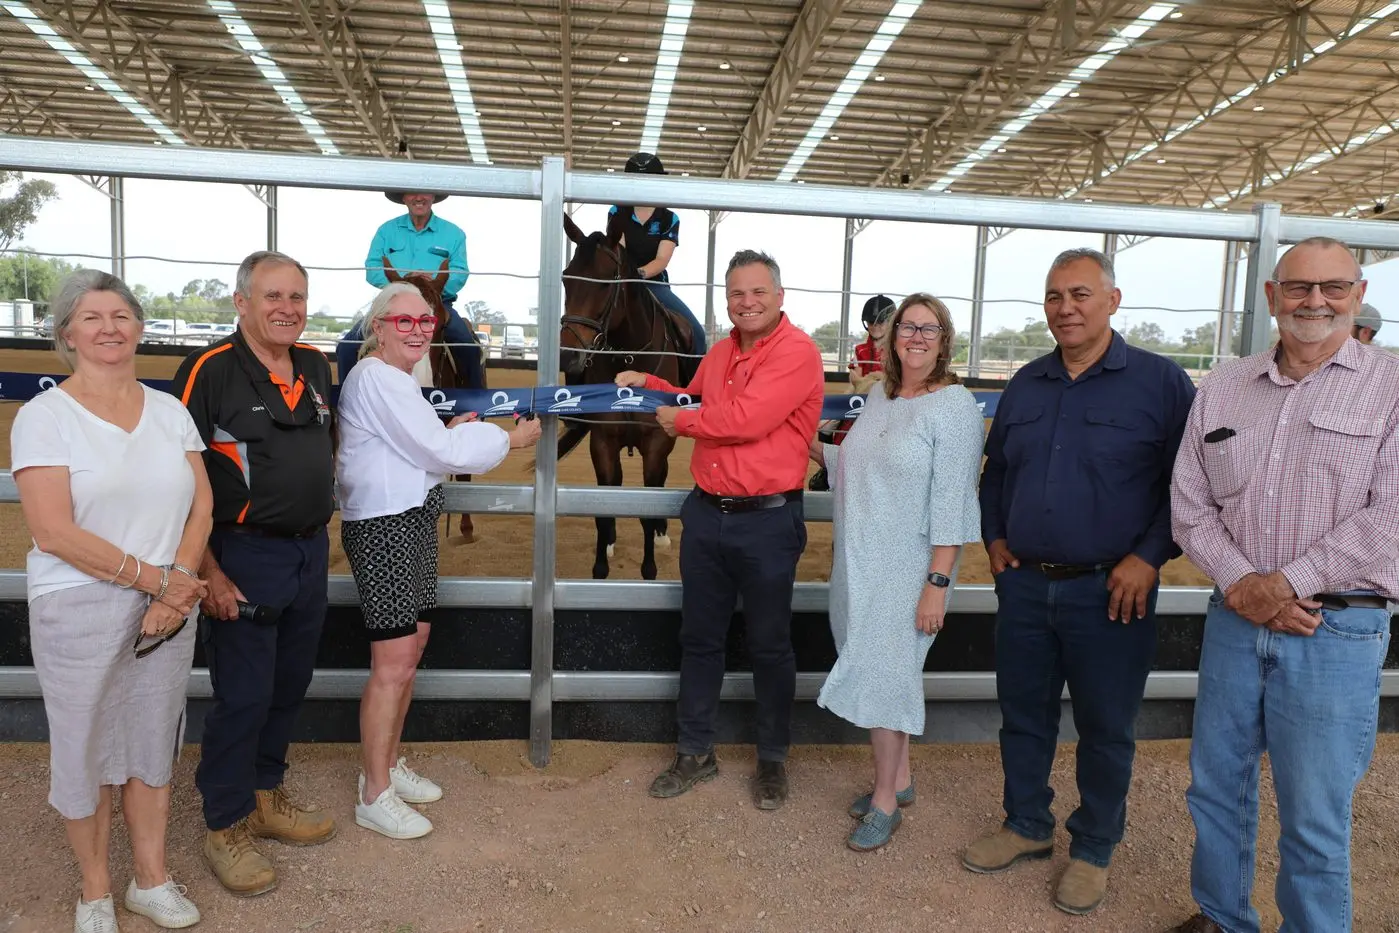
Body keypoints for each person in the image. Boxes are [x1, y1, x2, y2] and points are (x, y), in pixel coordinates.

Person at [1166, 237, 1399, 933]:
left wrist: (1284, 583)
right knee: (1214, 788)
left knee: (1313, 810)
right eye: (1297, 287)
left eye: (1331, 287)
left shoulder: (1389, 387)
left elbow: (1390, 514)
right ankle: (1220, 915)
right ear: (1271, 296)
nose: (1313, 301)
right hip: (1236, 619)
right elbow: (1188, 503)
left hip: (1336, 628)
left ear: (1357, 295)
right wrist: (1244, 584)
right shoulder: (1225, 386)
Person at [967, 248, 1196, 915]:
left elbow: (1188, 487)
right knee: (1023, 716)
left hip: (1112, 592)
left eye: (1079, 295)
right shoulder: (1026, 384)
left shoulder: (1158, 383)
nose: (1064, 308)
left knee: (1104, 724)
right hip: (1026, 586)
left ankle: (1093, 846)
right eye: (1052, 297)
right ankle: (1026, 825)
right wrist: (996, 540)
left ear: (1112, 300)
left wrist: (1149, 554)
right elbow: (997, 475)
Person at [12, 270, 211, 931]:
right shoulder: (45, 416)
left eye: (122, 314)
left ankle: (150, 879)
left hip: (168, 601)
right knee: (85, 746)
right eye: (92, 317)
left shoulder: (170, 411)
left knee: (154, 743)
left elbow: (202, 503)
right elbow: (52, 529)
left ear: (140, 327)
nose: (109, 327)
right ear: (66, 333)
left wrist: (179, 578)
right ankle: (95, 889)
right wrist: (158, 582)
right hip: (81, 600)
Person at [615, 249, 824, 810]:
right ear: (727, 300)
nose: (747, 302)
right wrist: (653, 383)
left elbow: (743, 420)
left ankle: (773, 759)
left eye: (757, 292)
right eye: (736, 293)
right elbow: (696, 398)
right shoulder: (723, 349)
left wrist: (678, 421)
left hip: (768, 520)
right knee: (700, 639)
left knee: (770, 644)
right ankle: (694, 751)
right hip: (709, 514)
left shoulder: (798, 353)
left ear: (780, 296)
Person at [336, 282, 542, 840]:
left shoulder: (394, 380)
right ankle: (374, 791)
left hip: (409, 518)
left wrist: (446, 436)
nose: (417, 330)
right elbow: (439, 453)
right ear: (379, 327)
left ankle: (387, 768)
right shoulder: (379, 377)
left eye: (425, 321)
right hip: (386, 526)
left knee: (411, 648)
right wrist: (510, 442)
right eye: (403, 321)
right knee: (395, 660)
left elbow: (422, 446)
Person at [172, 251, 337, 898]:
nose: (287, 308)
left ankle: (267, 795)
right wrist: (206, 568)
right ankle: (224, 822)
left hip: (307, 553)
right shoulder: (208, 371)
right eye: (272, 295)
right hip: (240, 555)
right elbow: (177, 476)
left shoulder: (318, 365)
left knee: (288, 684)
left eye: (297, 296)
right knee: (242, 694)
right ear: (241, 301)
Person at [809, 293, 984, 852]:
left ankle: (885, 800)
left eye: (928, 329)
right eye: (907, 327)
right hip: (861, 558)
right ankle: (901, 779)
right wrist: (813, 448)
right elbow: (860, 465)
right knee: (879, 666)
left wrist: (936, 585)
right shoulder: (882, 397)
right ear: (890, 336)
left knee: (885, 675)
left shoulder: (955, 407)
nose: (916, 337)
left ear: (944, 340)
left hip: (911, 568)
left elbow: (954, 503)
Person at [336, 190, 484, 387]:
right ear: (403, 198)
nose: (419, 197)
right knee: (347, 346)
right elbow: (372, 268)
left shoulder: (454, 234)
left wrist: (430, 282)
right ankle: (347, 401)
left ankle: (475, 400)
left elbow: (460, 272)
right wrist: (403, 283)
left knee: (466, 345)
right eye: (411, 193)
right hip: (393, 302)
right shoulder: (386, 231)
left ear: (433, 197)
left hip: (437, 303)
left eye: (425, 193)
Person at [610, 151, 707, 356]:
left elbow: (662, 259)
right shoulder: (616, 211)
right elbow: (619, 251)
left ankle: (695, 384)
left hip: (656, 285)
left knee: (697, 333)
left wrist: (638, 275)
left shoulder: (669, 218)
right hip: (621, 283)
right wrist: (627, 277)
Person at [809, 294, 896, 492]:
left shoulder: (896, 350)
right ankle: (827, 467)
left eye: (880, 323)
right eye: (871, 323)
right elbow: (855, 376)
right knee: (826, 425)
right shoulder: (860, 349)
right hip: (860, 393)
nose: (875, 327)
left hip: (887, 395)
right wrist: (865, 383)